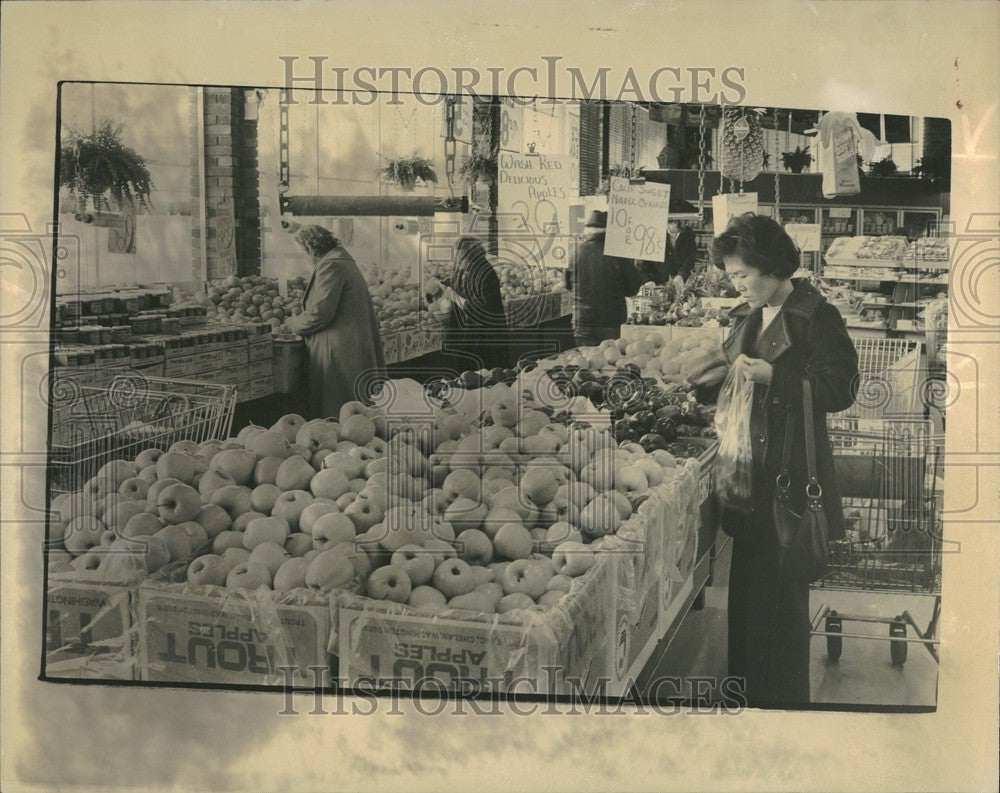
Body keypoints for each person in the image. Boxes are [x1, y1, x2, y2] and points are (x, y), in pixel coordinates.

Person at [696, 212, 859, 707]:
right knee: (747, 594)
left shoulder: (815, 314)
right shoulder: (752, 313)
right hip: (750, 475)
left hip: (789, 477)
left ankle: (783, 709)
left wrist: (778, 380)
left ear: (770, 266)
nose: (738, 285)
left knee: (783, 603)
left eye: (743, 275)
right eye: (732, 276)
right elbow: (736, 374)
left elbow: (843, 388)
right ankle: (744, 698)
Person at [285, 224, 386, 419]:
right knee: (355, 410)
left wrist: (294, 323)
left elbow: (320, 313)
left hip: (339, 352)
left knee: (339, 412)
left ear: (311, 249)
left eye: (304, 252)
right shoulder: (344, 261)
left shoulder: (331, 265)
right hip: (351, 346)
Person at [566, 210, 646, 347]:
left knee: (585, 364)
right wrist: (637, 268)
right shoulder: (618, 253)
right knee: (610, 362)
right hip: (611, 322)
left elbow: (568, 285)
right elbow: (632, 289)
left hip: (582, 322)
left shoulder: (575, 252)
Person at [436, 236, 510, 370]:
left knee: (487, 377)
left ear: (471, 256)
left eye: (460, 258)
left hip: (487, 339)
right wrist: (440, 285)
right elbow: (456, 281)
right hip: (470, 337)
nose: (457, 262)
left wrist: (454, 297)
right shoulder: (466, 267)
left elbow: (479, 310)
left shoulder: (485, 273)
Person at [655, 218, 698, 283]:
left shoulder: (688, 232)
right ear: (668, 222)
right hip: (659, 280)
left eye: (684, 222)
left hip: (681, 282)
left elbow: (690, 257)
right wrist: (649, 280)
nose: (681, 226)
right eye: (676, 222)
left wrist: (681, 275)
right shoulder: (656, 231)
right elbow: (647, 263)